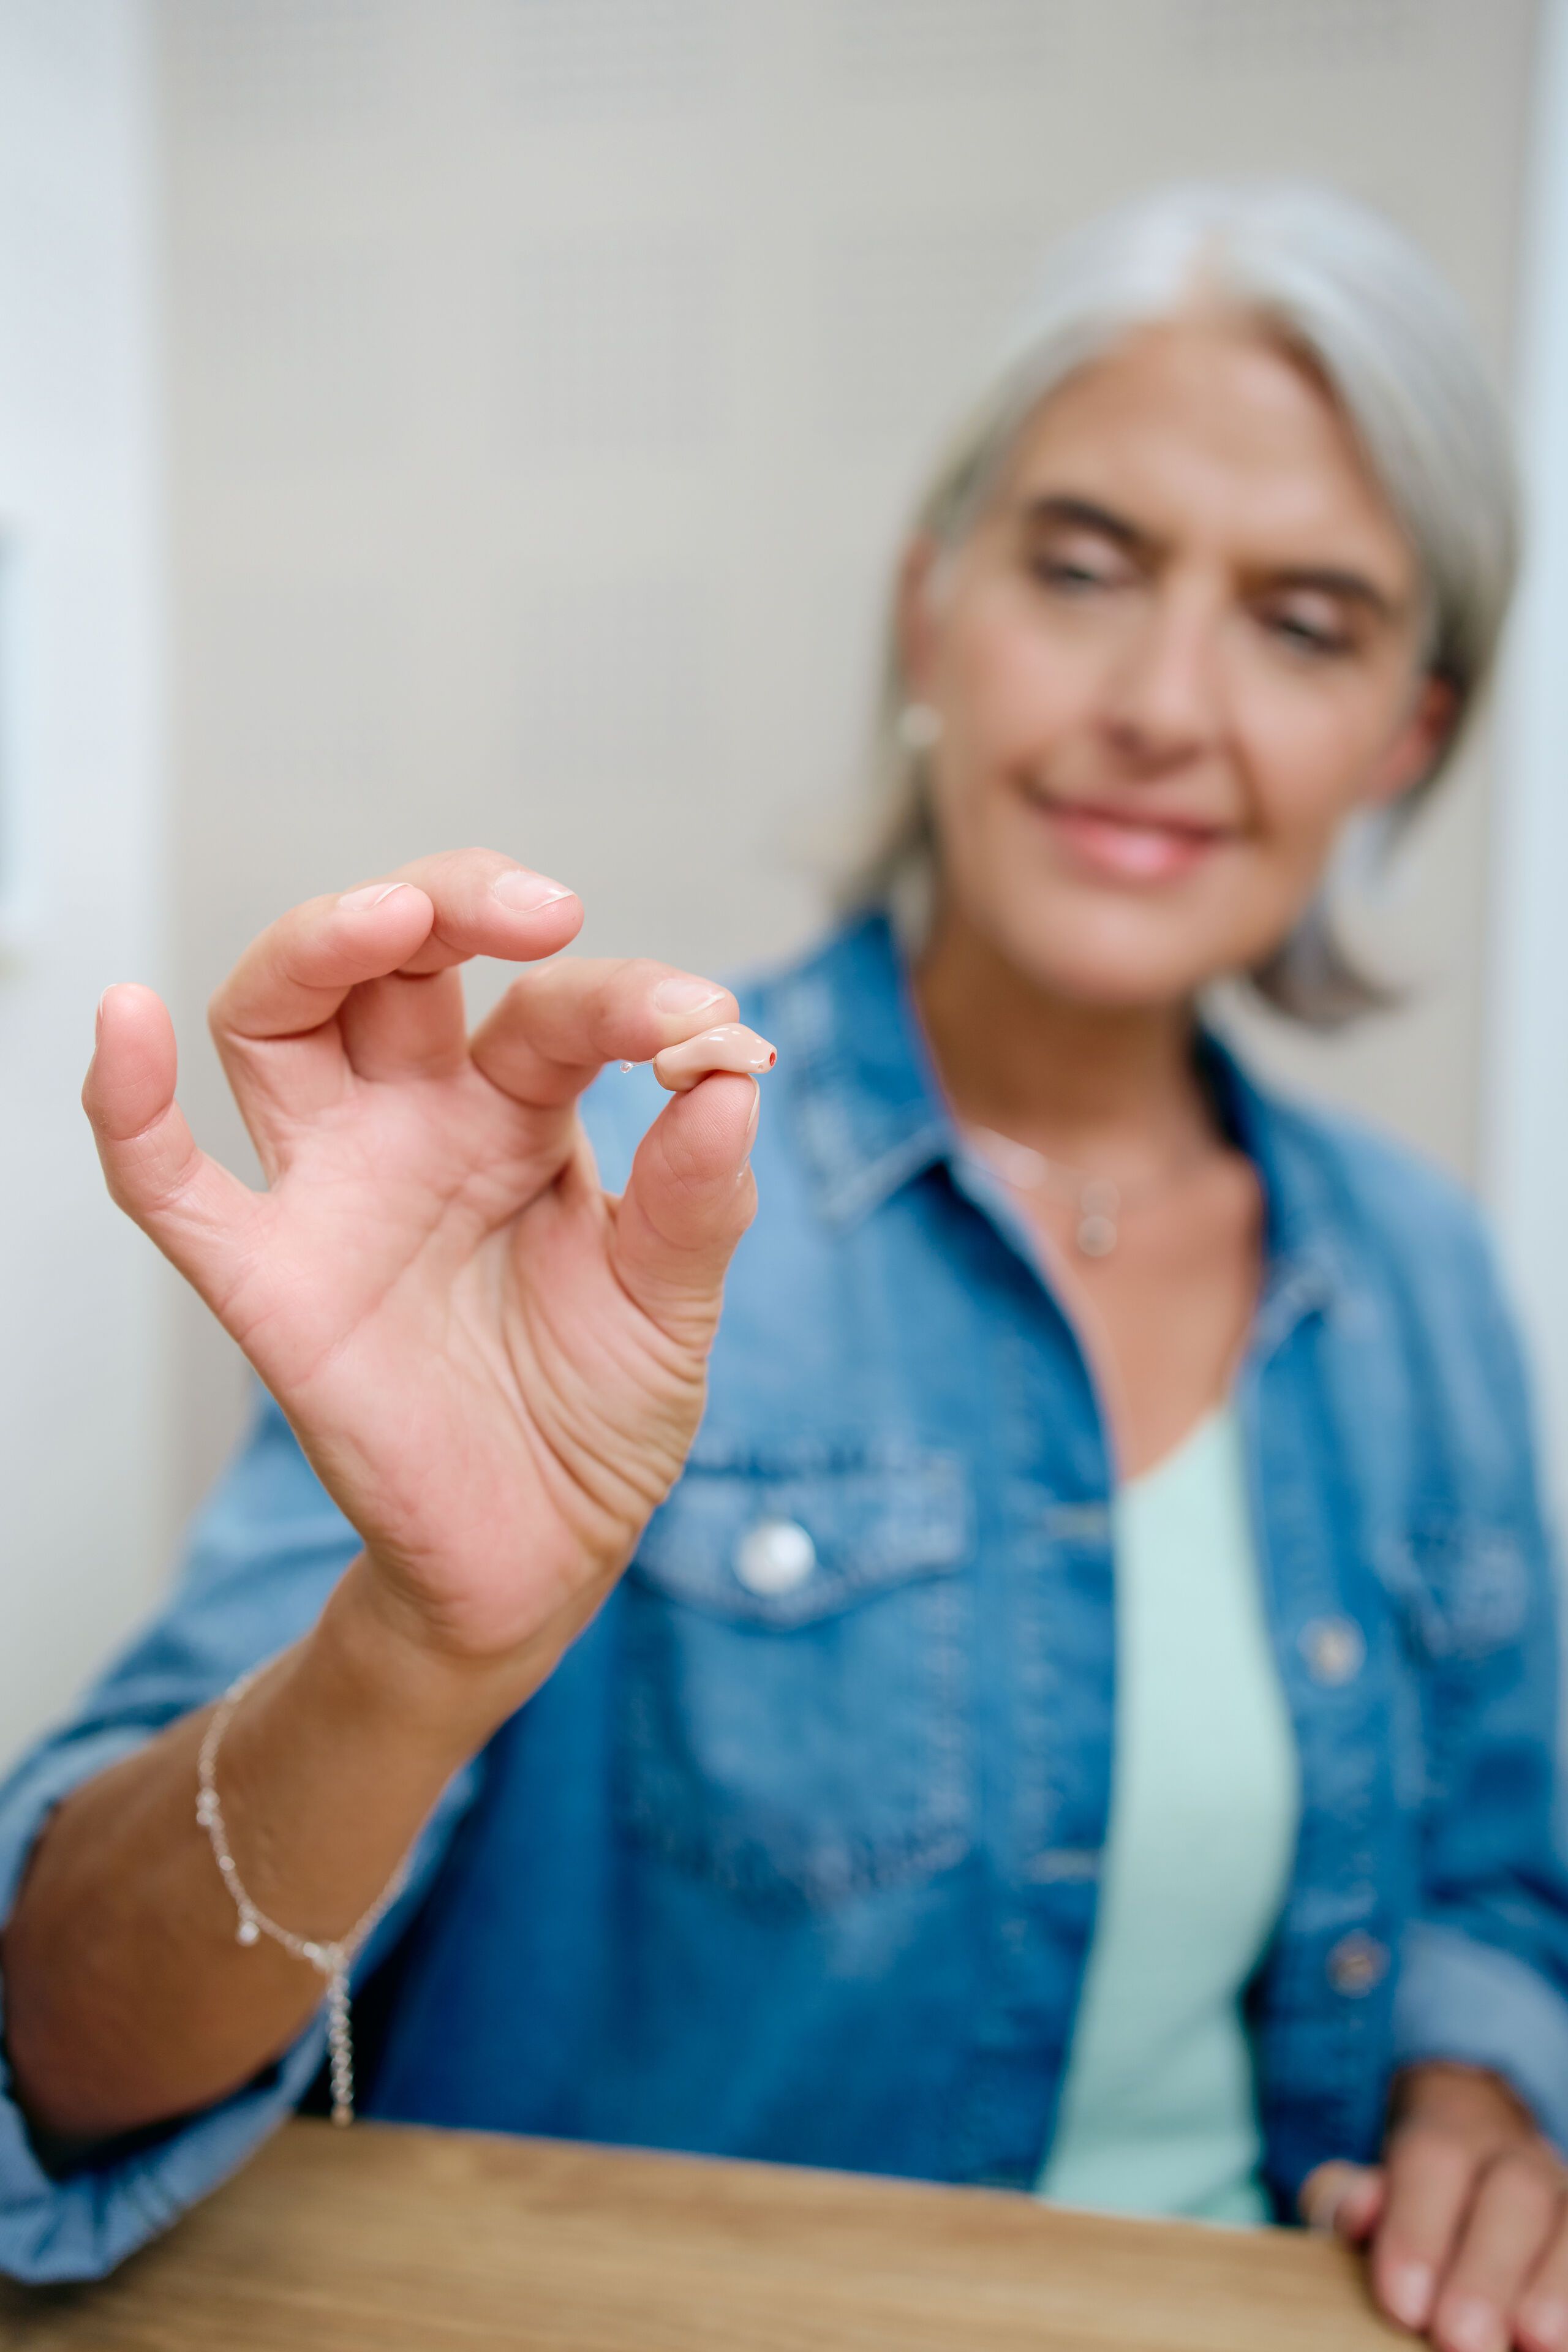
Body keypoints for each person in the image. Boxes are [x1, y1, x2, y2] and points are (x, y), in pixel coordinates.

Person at [2, 179, 1565, 2352]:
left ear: (1404, 738)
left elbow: (1496, 1871)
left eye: (1305, 623)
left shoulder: (1422, 1284)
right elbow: (54, 2069)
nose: (1163, 702)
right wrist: (411, 1652)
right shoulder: (599, 1187)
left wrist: (1489, 2087)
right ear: (933, 617)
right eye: (1084, 570)